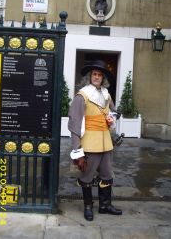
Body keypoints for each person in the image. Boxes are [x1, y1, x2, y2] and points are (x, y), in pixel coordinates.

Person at [68, 60, 122, 221]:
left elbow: (114, 112)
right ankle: (88, 206)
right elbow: (74, 124)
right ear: (89, 77)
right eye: (94, 74)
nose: (97, 77)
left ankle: (105, 205)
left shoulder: (106, 94)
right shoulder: (81, 96)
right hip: (89, 142)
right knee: (87, 176)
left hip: (106, 141)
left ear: (103, 78)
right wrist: (77, 151)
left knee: (106, 174)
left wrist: (112, 118)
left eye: (99, 75)